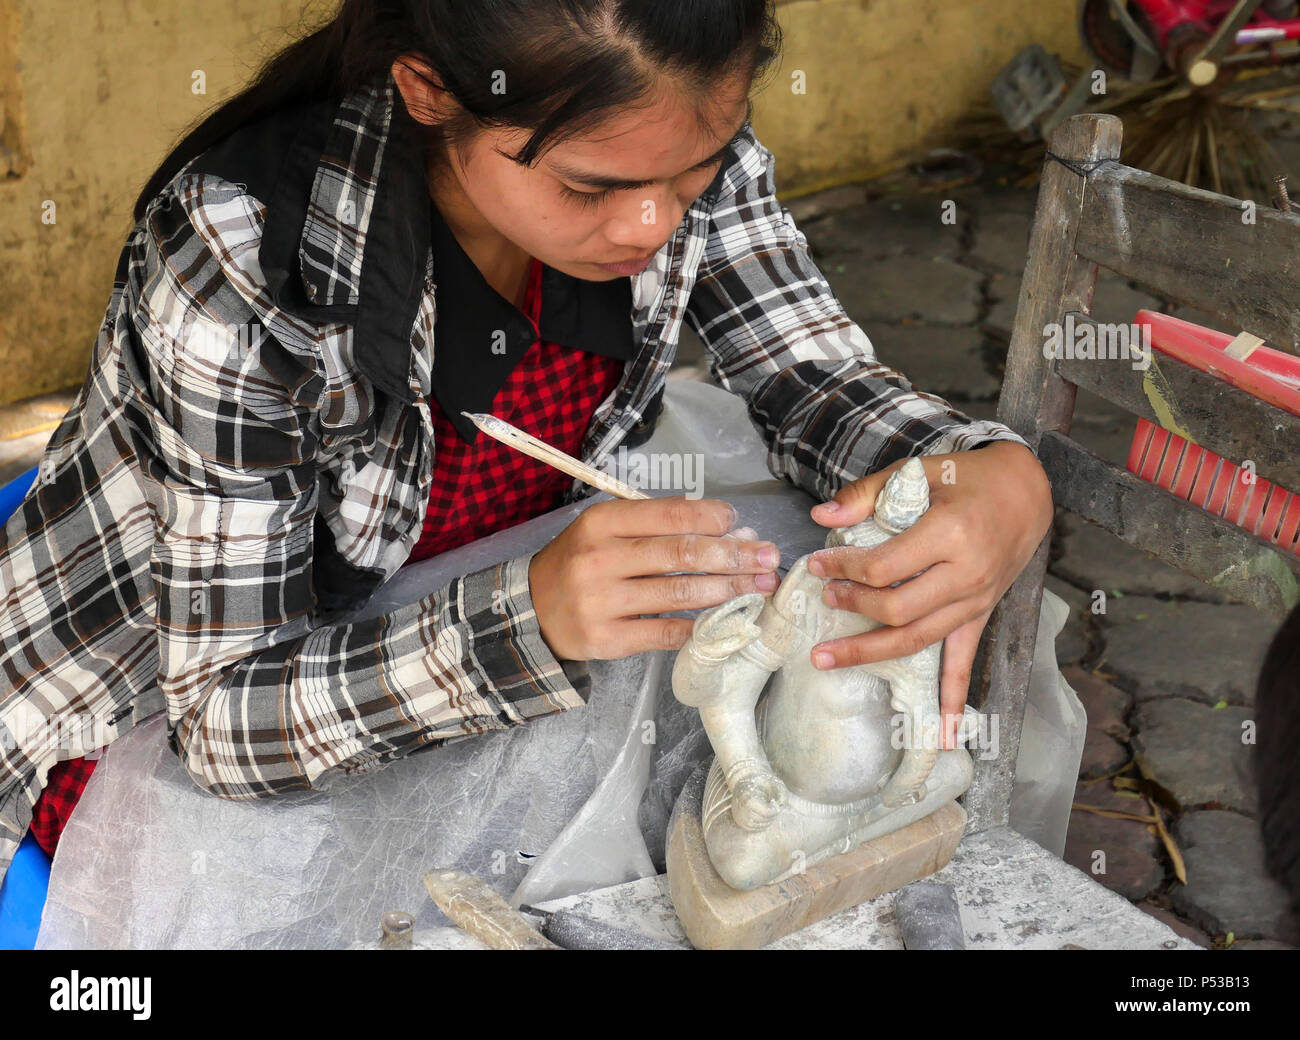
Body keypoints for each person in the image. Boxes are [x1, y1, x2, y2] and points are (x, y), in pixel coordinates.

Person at [0, 0, 1051, 886]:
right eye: (588, 189)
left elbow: (809, 376)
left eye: (692, 176)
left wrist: (977, 469)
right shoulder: (244, 257)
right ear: (428, 93)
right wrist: (530, 618)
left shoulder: (667, 145)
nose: (650, 224)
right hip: (163, 698)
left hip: (486, 586)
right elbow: (224, 723)